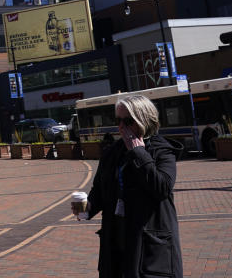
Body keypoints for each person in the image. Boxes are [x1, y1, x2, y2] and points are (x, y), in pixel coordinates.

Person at [73, 94, 183, 278]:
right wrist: (87, 207)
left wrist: (138, 152)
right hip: (116, 243)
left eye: (128, 121)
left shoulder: (161, 151)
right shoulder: (112, 152)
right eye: (118, 120)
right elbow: (99, 190)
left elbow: (162, 188)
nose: (121, 126)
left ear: (144, 120)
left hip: (149, 245)